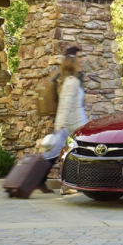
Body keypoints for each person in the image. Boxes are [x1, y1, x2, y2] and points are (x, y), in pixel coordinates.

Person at [38, 46, 88, 195]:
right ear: (72, 59)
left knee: (63, 154)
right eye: (79, 57)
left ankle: (65, 185)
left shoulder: (66, 78)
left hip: (72, 124)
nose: (82, 59)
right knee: (55, 154)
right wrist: (60, 125)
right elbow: (65, 105)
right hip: (70, 125)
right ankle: (42, 180)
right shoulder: (72, 81)